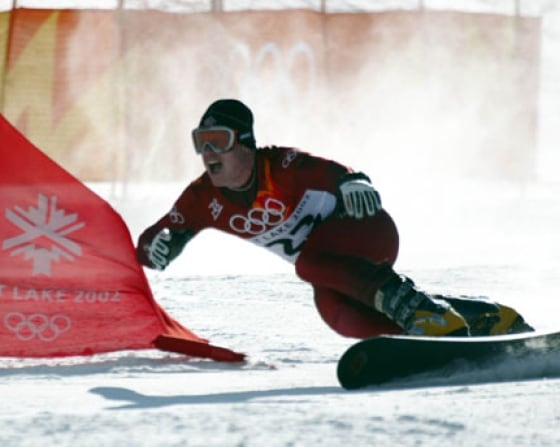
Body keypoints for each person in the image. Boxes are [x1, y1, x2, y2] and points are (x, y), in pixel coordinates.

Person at [136, 99, 533, 338]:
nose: (208, 152)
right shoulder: (202, 197)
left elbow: (334, 172)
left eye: (218, 140)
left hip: (366, 233)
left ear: (246, 142)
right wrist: (155, 249)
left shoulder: (281, 165)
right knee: (337, 314)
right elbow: (155, 239)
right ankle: (466, 320)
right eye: (199, 143)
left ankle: (423, 314)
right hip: (332, 269)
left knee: (309, 264)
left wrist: (353, 182)